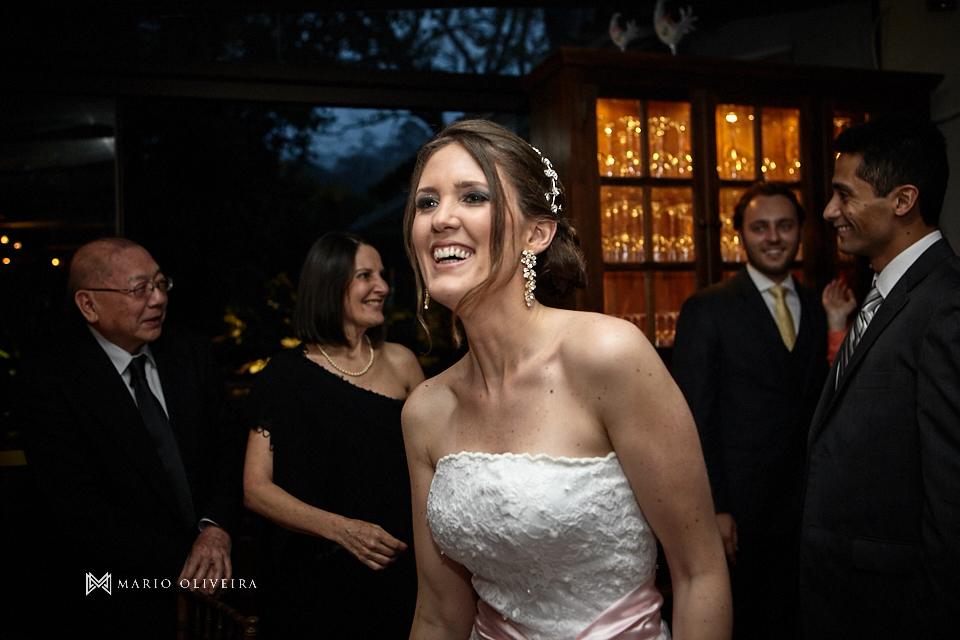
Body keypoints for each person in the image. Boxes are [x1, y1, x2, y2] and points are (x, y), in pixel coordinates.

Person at [401, 119, 731, 640]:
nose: (441, 219)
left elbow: (699, 573)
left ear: (537, 233)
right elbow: (439, 613)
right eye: (426, 202)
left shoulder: (608, 356)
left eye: (473, 196)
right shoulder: (425, 410)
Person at [19, 237, 242, 639]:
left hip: (217, 587)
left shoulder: (191, 352)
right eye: (139, 289)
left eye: (161, 284)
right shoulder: (52, 381)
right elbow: (75, 506)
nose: (158, 299)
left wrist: (216, 529)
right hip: (111, 597)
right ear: (89, 305)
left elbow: (229, 447)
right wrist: (188, 558)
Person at [801, 114, 960, 639]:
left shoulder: (945, 306)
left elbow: (950, 493)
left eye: (845, 196)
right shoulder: (884, 294)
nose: (829, 212)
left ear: (903, 200)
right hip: (847, 597)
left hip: (896, 610)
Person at [242, 231, 424, 639]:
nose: (381, 286)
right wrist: (342, 530)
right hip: (317, 578)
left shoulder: (403, 362)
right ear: (329, 285)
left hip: (400, 570)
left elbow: (433, 460)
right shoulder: (284, 377)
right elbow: (255, 488)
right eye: (365, 276)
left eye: (381, 274)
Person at [671, 183, 827, 640]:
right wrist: (714, 508)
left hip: (806, 512)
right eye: (760, 228)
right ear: (740, 235)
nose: (774, 237)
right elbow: (694, 418)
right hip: (739, 515)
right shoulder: (707, 307)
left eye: (785, 226)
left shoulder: (817, 308)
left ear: (800, 232)